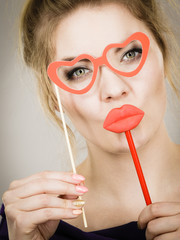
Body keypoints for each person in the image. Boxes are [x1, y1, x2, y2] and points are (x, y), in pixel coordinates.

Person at [0, 0, 180, 239]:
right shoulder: (28, 225)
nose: (114, 89)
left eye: (130, 54)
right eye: (79, 71)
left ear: (163, 53)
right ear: (54, 98)